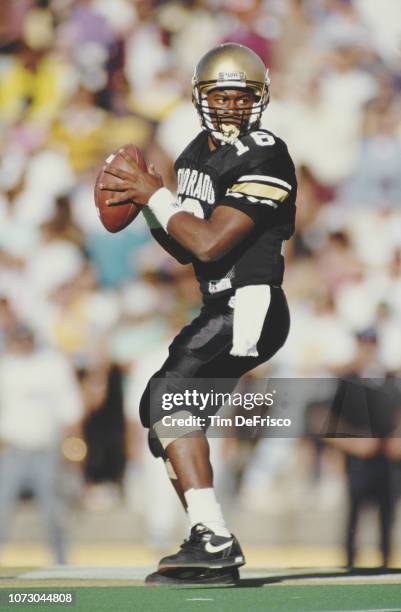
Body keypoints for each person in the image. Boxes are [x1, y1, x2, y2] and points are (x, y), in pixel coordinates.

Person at [100, 43, 297, 584]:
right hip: (221, 305)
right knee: (163, 417)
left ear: (259, 100)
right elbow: (187, 248)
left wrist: (155, 195)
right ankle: (209, 537)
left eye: (242, 96)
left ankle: (214, 539)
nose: (232, 106)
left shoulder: (266, 153)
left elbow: (212, 244)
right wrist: (149, 208)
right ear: (199, 97)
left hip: (252, 305)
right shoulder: (191, 157)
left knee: (168, 400)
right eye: (221, 95)